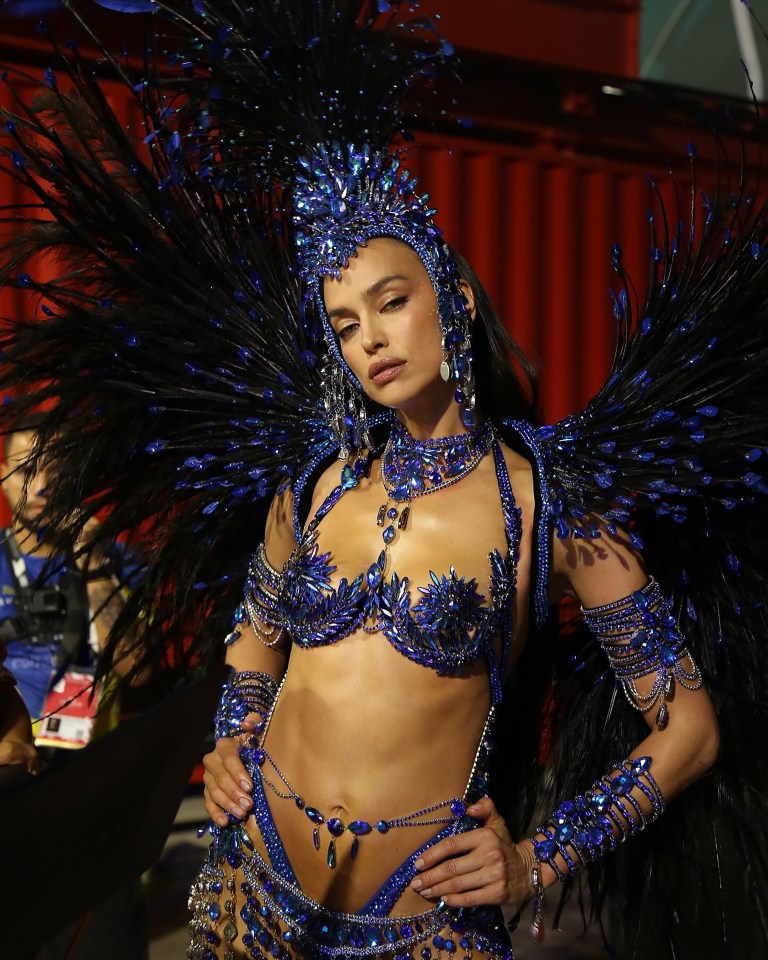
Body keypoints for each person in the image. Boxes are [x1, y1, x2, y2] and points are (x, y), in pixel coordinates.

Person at [0, 3, 766, 959]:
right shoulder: (312, 489)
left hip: (422, 929)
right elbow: (256, 641)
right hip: (253, 896)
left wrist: (537, 859)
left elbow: (686, 724)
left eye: (391, 302)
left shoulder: (549, 503)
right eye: (346, 321)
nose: (370, 338)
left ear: (451, 296)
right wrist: (234, 739)